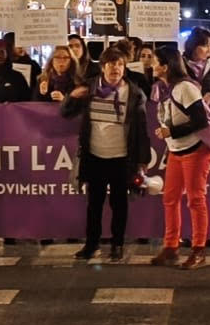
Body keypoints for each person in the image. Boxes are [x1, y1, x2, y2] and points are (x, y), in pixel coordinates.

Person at [62, 44, 150, 262]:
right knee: (94, 203)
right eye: (111, 64)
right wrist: (72, 96)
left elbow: (141, 128)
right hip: (94, 155)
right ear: (102, 67)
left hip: (121, 157)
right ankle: (92, 244)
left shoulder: (134, 93)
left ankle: (117, 244)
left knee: (119, 203)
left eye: (120, 64)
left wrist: (142, 159)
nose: (116, 69)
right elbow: (66, 113)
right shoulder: (89, 88)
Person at [152, 46, 210, 270]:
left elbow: (200, 121)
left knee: (195, 200)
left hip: (195, 150)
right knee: (170, 198)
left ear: (166, 65)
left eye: (155, 61)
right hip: (176, 151)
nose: (151, 64)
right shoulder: (163, 87)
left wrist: (171, 132)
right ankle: (171, 246)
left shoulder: (185, 88)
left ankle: (199, 249)